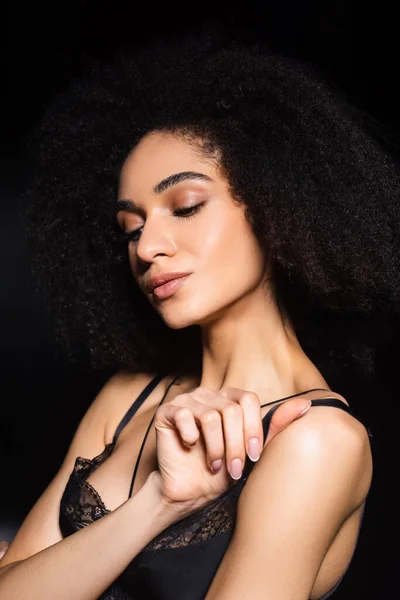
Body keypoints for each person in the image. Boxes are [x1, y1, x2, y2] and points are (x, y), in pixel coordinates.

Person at [1, 26, 398, 599]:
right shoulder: (128, 397)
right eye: (131, 228)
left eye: (184, 207)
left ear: (275, 205)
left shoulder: (317, 442)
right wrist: (161, 502)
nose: (146, 246)